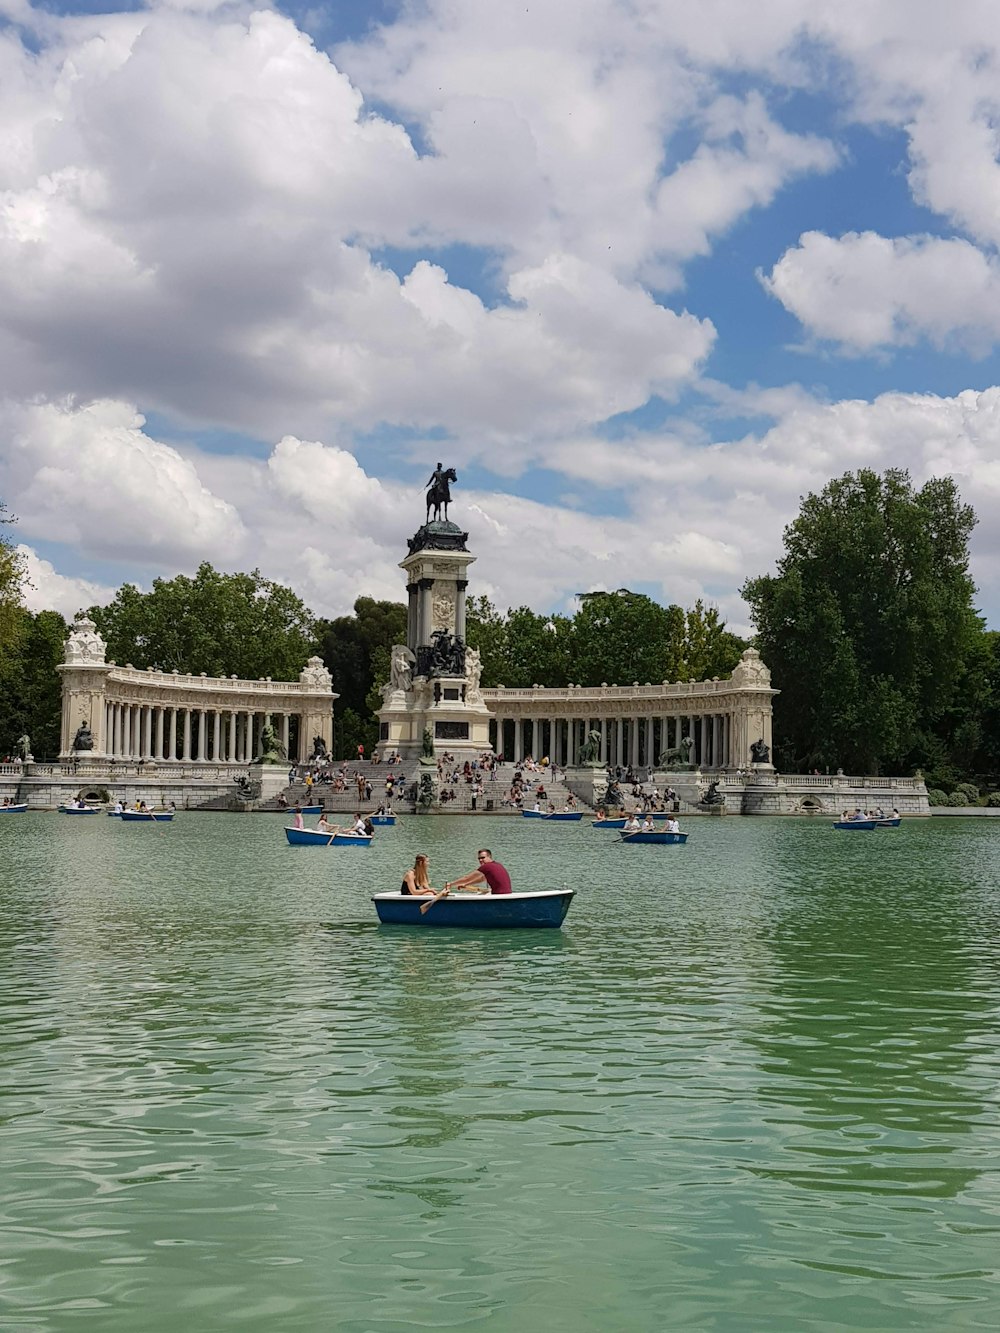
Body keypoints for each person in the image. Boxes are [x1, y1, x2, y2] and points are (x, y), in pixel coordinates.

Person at [444, 849, 512, 896]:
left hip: (499, 895)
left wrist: (451, 884)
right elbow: (482, 879)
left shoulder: (487, 866)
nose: (480, 860)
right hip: (507, 894)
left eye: (483, 857)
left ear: (489, 856)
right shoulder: (497, 864)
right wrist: (466, 884)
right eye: (479, 858)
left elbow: (467, 878)